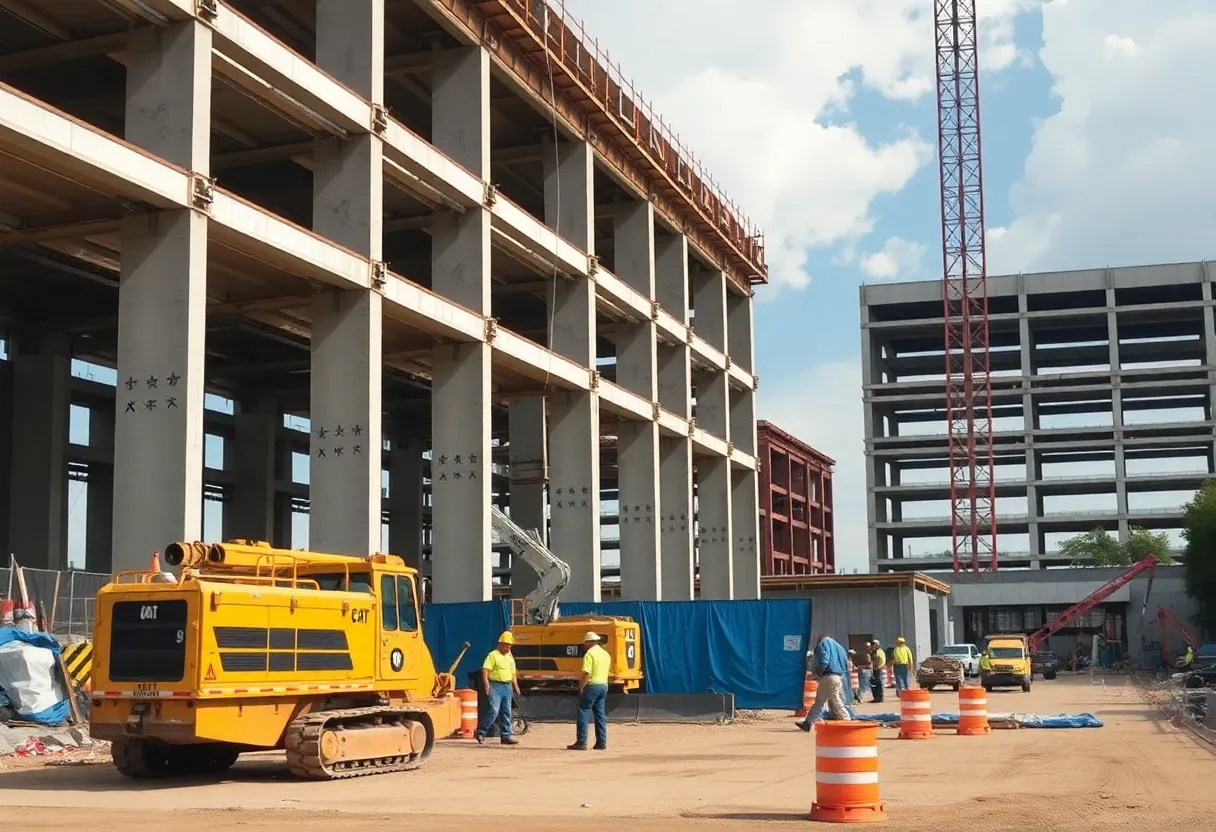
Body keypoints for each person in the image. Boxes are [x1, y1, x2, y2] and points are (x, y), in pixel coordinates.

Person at [796, 633, 852, 731]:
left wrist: (818, 673)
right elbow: (846, 664)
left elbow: (824, 660)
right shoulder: (840, 648)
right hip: (838, 676)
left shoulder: (823, 643)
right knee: (834, 698)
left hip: (828, 676)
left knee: (822, 701)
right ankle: (808, 722)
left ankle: (847, 719)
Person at [476, 631, 521, 745]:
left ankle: (505, 736)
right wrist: (486, 685)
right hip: (495, 686)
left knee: (506, 712)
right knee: (494, 710)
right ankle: (481, 732)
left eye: (510, 645)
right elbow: (485, 670)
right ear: (500, 643)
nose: (508, 647)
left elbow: (513, 673)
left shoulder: (510, 658)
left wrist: (516, 687)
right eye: (506, 645)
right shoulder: (493, 655)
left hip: (507, 687)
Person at [568, 631, 611, 750]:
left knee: (583, 711)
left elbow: (587, 673)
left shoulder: (589, 654)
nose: (585, 644)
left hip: (592, 685)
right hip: (604, 685)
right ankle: (601, 742)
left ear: (591, 642)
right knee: (600, 714)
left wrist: (581, 687)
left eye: (586, 642)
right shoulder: (605, 654)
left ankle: (581, 742)